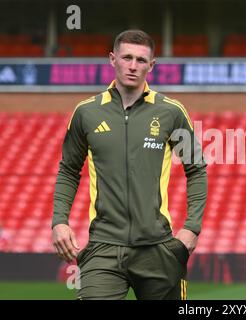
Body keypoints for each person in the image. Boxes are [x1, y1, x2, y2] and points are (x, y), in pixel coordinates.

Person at [51, 30, 207, 300]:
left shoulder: (171, 111)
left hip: (158, 249)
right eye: (127, 58)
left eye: (141, 60)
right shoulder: (86, 112)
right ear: (113, 59)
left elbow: (196, 170)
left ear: (152, 65)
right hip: (103, 247)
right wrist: (59, 222)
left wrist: (192, 228)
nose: (133, 66)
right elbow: (68, 170)